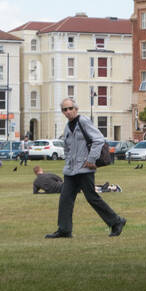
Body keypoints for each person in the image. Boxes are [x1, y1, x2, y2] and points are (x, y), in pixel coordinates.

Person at [45, 98, 126, 239]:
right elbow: (68, 148)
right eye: (65, 109)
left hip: (84, 170)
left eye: (70, 108)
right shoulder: (67, 126)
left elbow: (99, 140)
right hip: (71, 171)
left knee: (92, 198)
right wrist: (68, 163)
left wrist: (91, 160)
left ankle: (116, 221)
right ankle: (64, 230)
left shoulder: (83, 121)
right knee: (65, 199)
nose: (68, 111)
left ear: (76, 109)